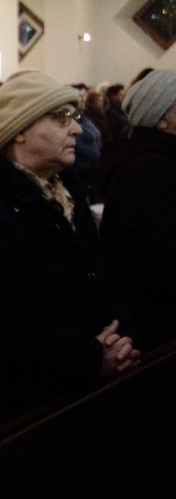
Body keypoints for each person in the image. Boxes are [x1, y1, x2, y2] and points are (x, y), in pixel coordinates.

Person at [0, 72, 140, 435]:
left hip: (94, 384)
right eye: (60, 118)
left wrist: (123, 339)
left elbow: (101, 275)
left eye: (75, 117)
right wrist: (91, 356)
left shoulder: (69, 191)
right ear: (19, 130)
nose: (76, 129)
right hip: (34, 409)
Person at [100, 69, 176, 352]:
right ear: (163, 118)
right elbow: (156, 257)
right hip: (157, 325)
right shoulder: (145, 170)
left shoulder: (160, 160)